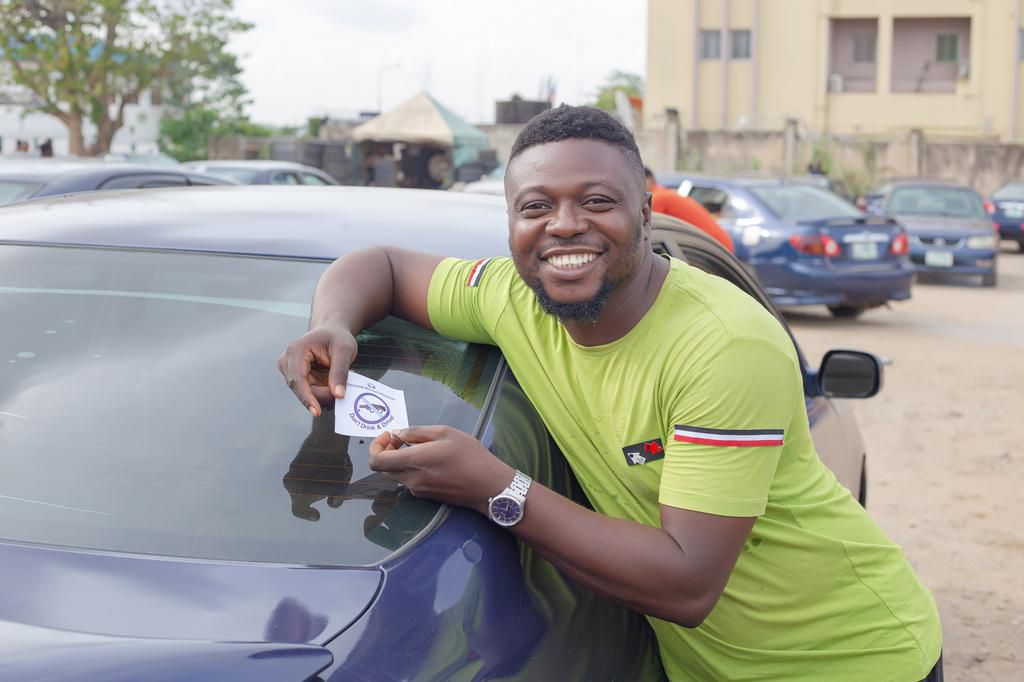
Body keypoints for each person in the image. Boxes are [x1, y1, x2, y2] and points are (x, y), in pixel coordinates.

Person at [279, 105, 942, 681]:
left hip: (849, 658)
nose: (565, 225)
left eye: (596, 201)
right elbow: (381, 266)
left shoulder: (723, 345)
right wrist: (332, 323)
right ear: (512, 223)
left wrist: (493, 487)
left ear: (645, 214)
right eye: (536, 206)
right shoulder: (509, 298)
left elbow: (687, 585)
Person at [644, 167, 734, 253]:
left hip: (715, 247)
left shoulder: (658, 198)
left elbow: (647, 231)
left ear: (648, 180)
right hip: (717, 245)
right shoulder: (663, 194)